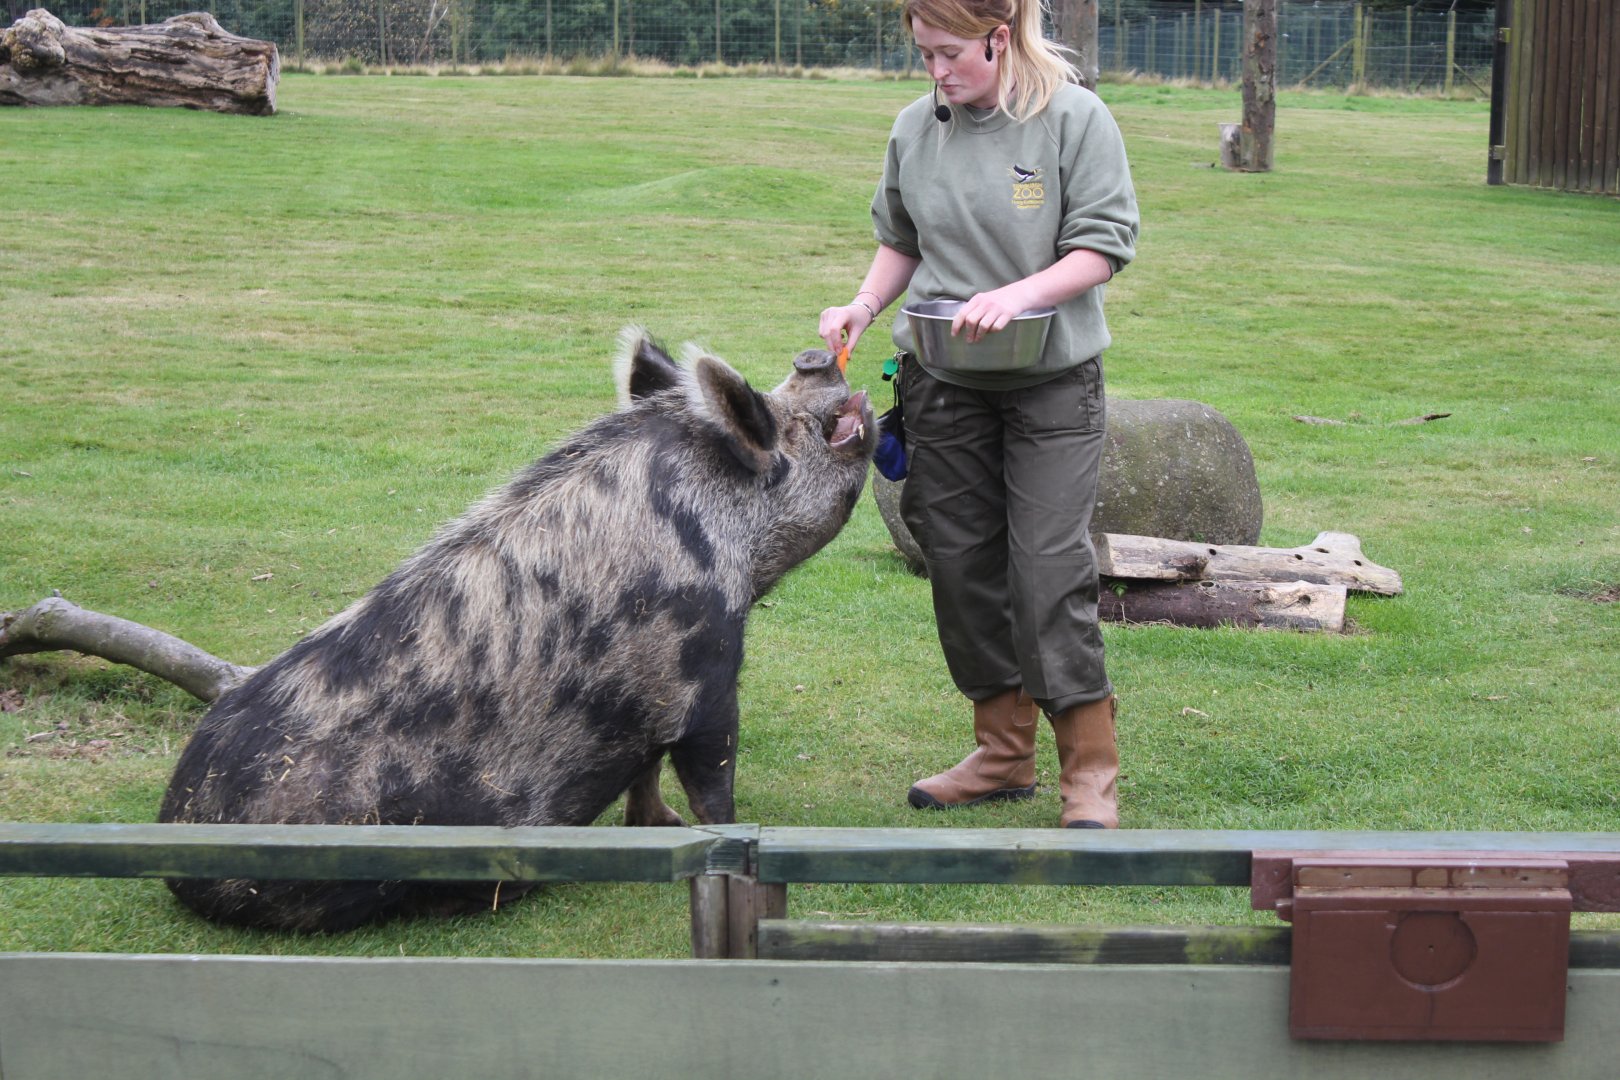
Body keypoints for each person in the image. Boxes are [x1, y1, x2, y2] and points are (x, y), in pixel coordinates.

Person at [818, 0, 1139, 828]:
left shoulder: (1074, 119)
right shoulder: (917, 129)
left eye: (950, 53)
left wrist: (1015, 296)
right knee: (958, 562)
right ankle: (1002, 753)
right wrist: (861, 304)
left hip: (1051, 381)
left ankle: (1090, 772)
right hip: (941, 379)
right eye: (923, 54)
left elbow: (1100, 247)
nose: (936, 73)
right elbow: (903, 240)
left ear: (1001, 37)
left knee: (1046, 566)